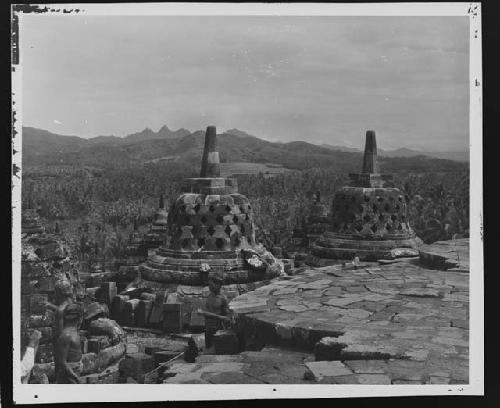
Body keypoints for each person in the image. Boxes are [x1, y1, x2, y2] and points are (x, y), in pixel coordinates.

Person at [54, 303, 84, 384]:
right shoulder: (66, 335)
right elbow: (63, 362)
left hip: (74, 371)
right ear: (80, 318)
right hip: (68, 375)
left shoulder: (74, 331)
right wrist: (75, 378)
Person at [203, 276, 230, 350]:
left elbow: (227, 317)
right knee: (208, 349)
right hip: (207, 328)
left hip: (217, 330)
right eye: (209, 285)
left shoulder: (222, 298)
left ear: (218, 285)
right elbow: (208, 310)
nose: (209, 287)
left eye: (211, 285)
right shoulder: (210, 296)